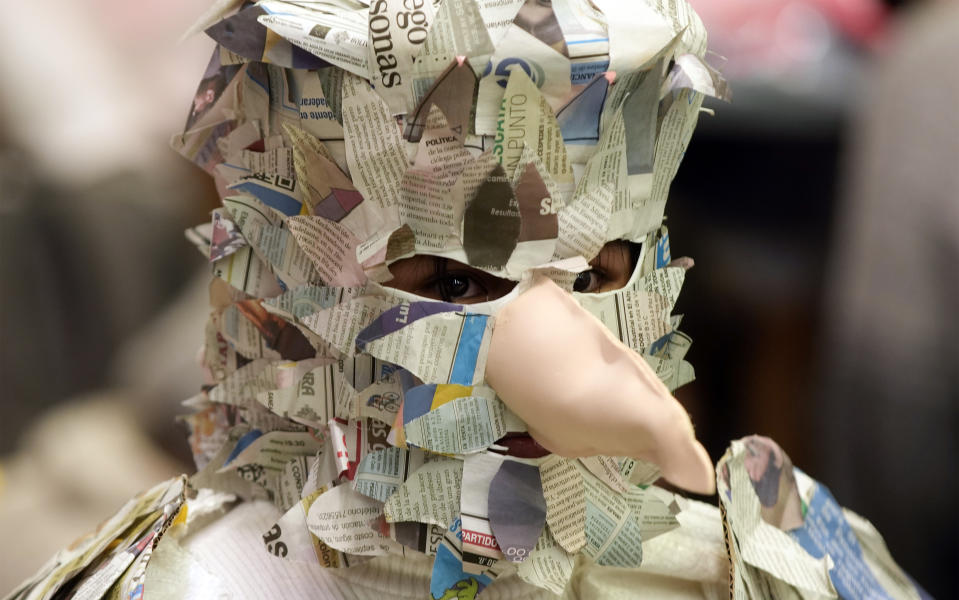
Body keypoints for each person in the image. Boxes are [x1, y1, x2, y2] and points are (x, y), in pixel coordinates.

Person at [9, 1, 927, 599]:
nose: (564, 354)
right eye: (457, 284)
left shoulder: (757, 564)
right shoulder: (191, 579)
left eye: (597, 277)